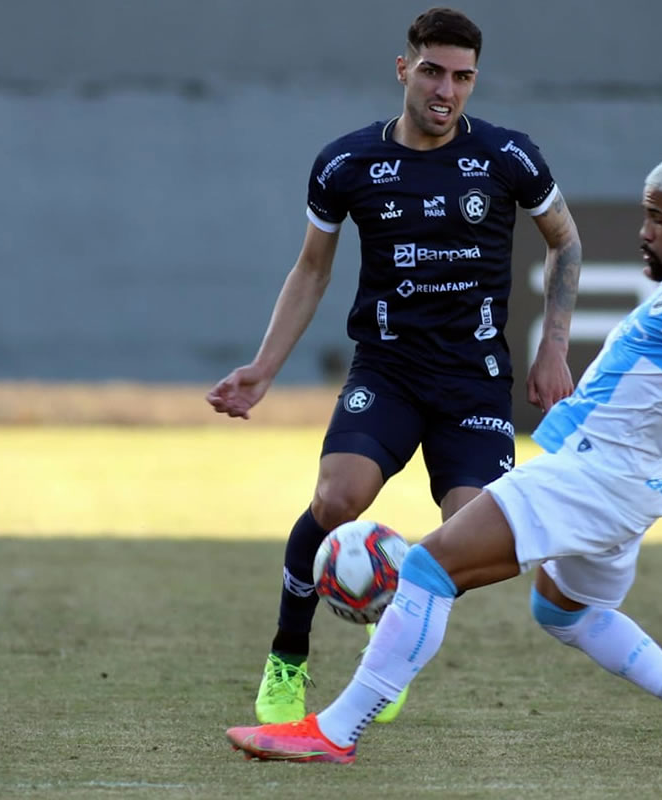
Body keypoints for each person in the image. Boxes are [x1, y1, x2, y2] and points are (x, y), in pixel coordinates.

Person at [224, 151, 662, 764]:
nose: (643, 232)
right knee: (563, 609)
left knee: (426, 569)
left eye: (658, 218)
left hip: (595, 475)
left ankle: (334, 733)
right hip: (637, 487)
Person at [206, 7, 582, 727]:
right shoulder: (348, 163)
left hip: (473, 380)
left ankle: (391, 630)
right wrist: (263, 368)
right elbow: (311, 270)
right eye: (434, 71)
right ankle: (288, 654)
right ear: (404, 68)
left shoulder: (508, 157)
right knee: (337, 499)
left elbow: (565, 244)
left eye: (463, 77)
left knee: (474, 536)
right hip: (388, 371)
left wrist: (554, 344)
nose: (447, 90)